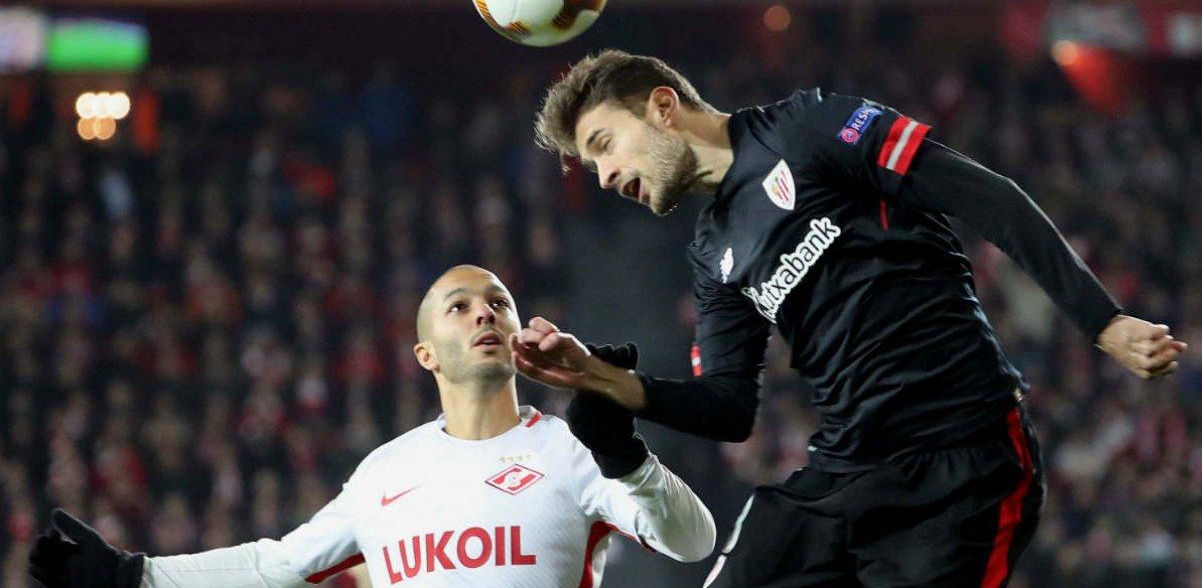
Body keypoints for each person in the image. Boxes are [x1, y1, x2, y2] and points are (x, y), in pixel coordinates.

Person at [514, 50, 1187, 588]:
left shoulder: (808, 127)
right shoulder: (714, 251)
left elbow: (987, 196)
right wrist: (598, 377)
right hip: (845, 472)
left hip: (962, 470)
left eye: (604, 143)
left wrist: (1102, 321)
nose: (604, 175)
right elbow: (727, 406)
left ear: (663, 106)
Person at [29, 265, 716, 588]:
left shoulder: (574, 448)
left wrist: (624, 452)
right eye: (459, 306)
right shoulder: (384, 473)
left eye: (499, 303)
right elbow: (277, 565)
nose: (485, 312)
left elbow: (693, 542)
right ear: (425, 354)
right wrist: (135, 576)